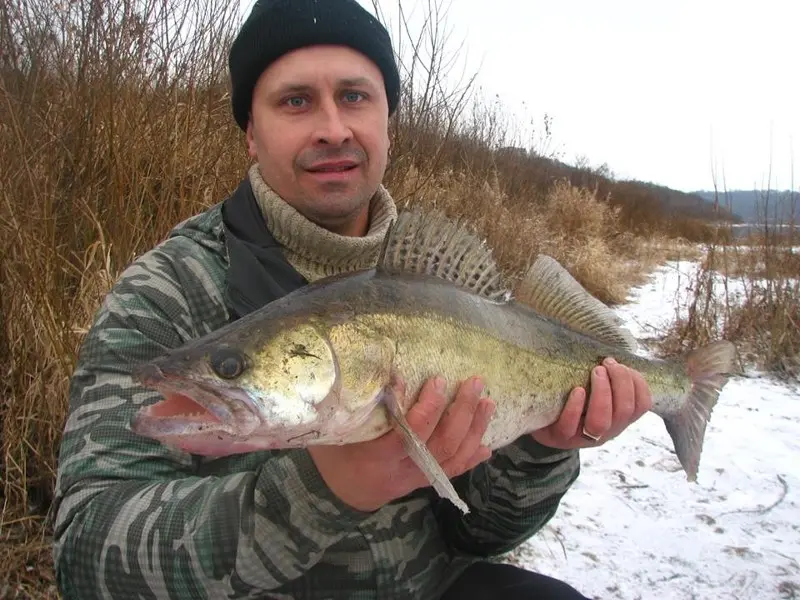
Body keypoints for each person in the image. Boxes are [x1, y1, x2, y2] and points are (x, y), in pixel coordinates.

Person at [51, 0, 653, 598]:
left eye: (356, 96)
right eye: (295, 101)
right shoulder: (164, 293)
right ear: (250, 135)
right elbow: (85, 558)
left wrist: (542, 451)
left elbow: (483, 535)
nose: (333, 127)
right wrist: (325, 488)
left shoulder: (452, 291)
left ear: (388, 121)